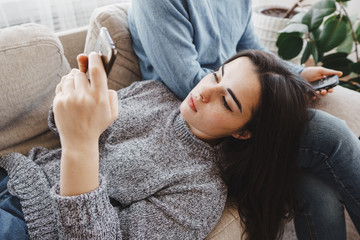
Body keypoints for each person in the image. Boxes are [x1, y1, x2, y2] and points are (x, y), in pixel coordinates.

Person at [1, 49, 359, 240]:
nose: (204, 92)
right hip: (13, 172)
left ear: (243, 132)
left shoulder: (200, 191)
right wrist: (77, 96)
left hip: (28, 225)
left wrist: (81, 143)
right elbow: (59, 124)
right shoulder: (154, 90)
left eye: (227, 102)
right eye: (216, 75)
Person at [127, 0, 359, 239]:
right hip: (194, 116)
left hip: (236, 105)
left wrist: (295, 73)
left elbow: (251, 50)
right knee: (333, 136)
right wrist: (239, 95)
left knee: (313, 185)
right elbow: (189, 84)